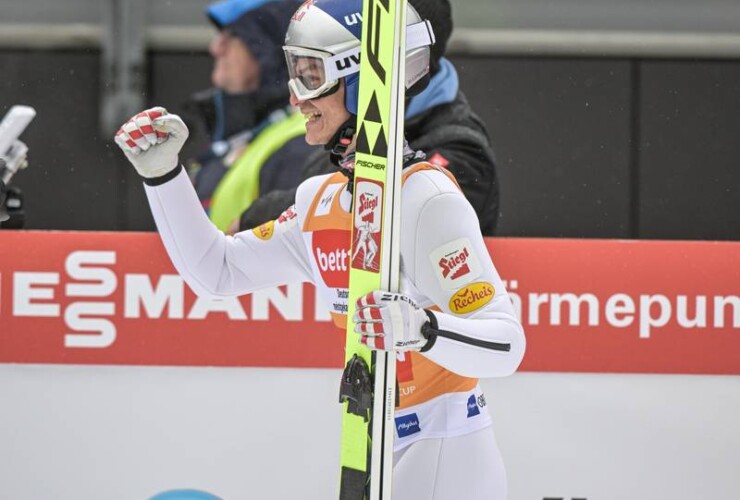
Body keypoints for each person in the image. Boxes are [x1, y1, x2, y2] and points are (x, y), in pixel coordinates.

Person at [114, 0, 525, 498]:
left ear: (361, 79)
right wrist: (162, 176)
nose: (295, 97)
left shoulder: (426, 198)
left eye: (311, 74)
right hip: (371, 444)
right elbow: (216, 272)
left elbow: (506, 344)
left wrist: (422, 329)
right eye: (293, 71)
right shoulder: (319, 200)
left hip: (448, 450)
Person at [236, 0, 501, 236]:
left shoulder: (460, 149)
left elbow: (378, 223)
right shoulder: (345, 136)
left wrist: (263, 217)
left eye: (315, 76)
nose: (297, 99)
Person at [185, 0, 320, 231]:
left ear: (267, 48)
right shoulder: (248, 134)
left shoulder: (304, 141)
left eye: (232, 35)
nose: (216, 48)